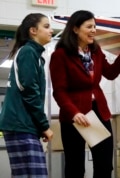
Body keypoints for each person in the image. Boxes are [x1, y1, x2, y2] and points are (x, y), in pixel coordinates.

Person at [49, 10, 120, 178]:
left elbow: (110, 73)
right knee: (75, 167)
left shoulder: (95, 51)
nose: (94, 30)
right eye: (89, 26)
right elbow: (59, 92)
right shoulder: (60, 55)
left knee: (104, 165)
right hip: (75, 116)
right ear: (75, 29)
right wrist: (74, 113)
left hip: (98, 112)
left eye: (95, 26)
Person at [0, 13, 54, 178]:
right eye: (46, 26)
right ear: (33, 30)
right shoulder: (28, 52)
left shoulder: (34, 54)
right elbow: (29, 91)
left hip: (22, 125)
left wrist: (39, 127)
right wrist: (44, 125)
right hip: (20, 125)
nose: (51, 30)